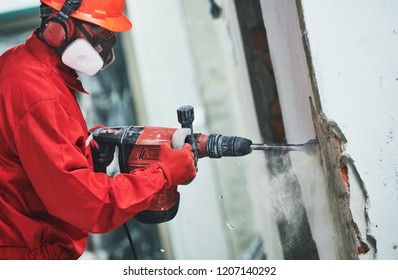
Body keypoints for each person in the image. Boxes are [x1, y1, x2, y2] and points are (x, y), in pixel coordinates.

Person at [0, 0, 196, 260]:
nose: (105, 44)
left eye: (110, 33)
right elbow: (86, 205)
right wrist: (162, 174)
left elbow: (28, 163)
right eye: (100, 32)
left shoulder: (21, 63)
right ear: (60, 25)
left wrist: (85, 150)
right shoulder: (40, 95)